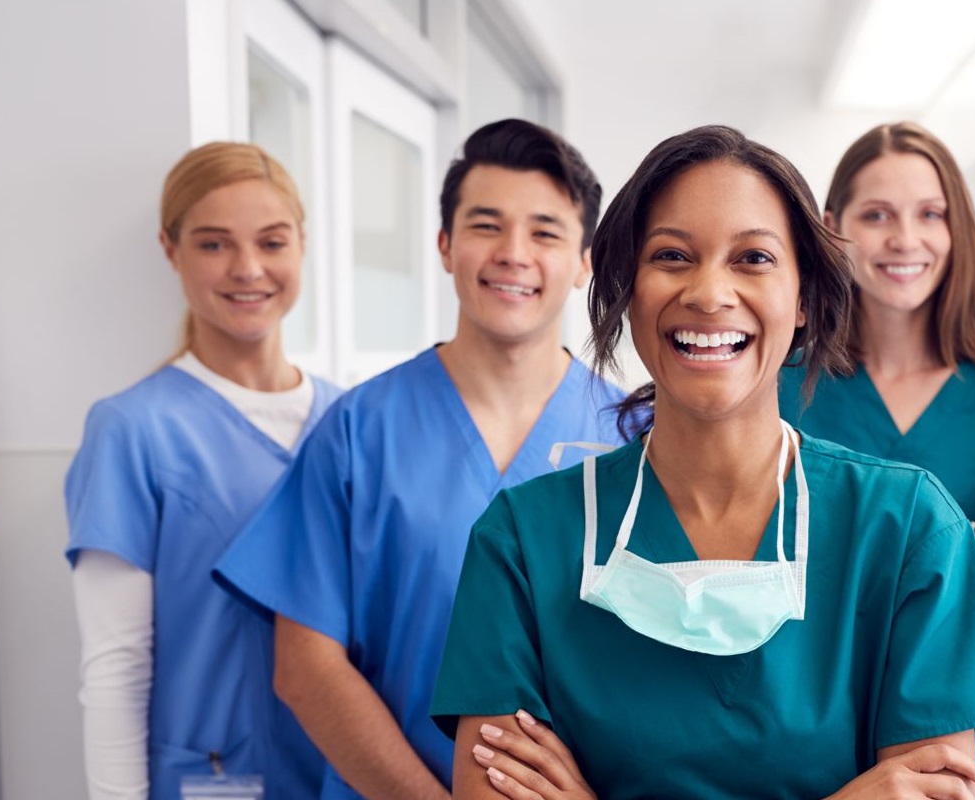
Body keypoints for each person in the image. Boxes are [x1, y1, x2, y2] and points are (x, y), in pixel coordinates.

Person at [430, 125, 975, 800]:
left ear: (805, 297)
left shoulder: (908, 532)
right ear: (625, 287)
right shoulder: (522, 539)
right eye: (670, 256)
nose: (709, 292)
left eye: (752, 258)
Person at [213, 118, 624, 800]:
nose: (513, 253)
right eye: (486, 225)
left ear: (584, 259)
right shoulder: (359, 430)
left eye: (545, 232)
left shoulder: (635, 437)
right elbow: (306, 665)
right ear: (444, 244)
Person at [779, 121, 975, 800]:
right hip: (811, 770)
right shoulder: (782, 388)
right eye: (876, 215)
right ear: (831, 229)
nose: (904, 239)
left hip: (971, 770)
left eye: (929, 214)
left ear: (957, 228)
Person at [65, 141, 339, 800]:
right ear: (171, 249)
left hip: (343, 774)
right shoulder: (132, 429)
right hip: (211, 778)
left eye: (272, 243)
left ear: (302, 244)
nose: (248, 269)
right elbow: (115, 668)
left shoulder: (348, 419)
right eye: (214, 244)